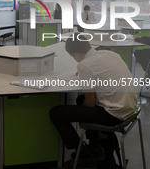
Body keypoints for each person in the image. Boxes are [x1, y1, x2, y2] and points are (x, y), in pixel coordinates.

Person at [49, 34, 137, 168]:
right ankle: (96, 146)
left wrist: (84, 70)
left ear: (76, 54)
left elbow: (90, 103)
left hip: (113, 115)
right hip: (131, 109)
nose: (75, 60)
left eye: (73, 57)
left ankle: (83, 155)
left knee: (56, 113)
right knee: (80, 99)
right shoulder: (110, 54)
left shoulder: (85, 65)